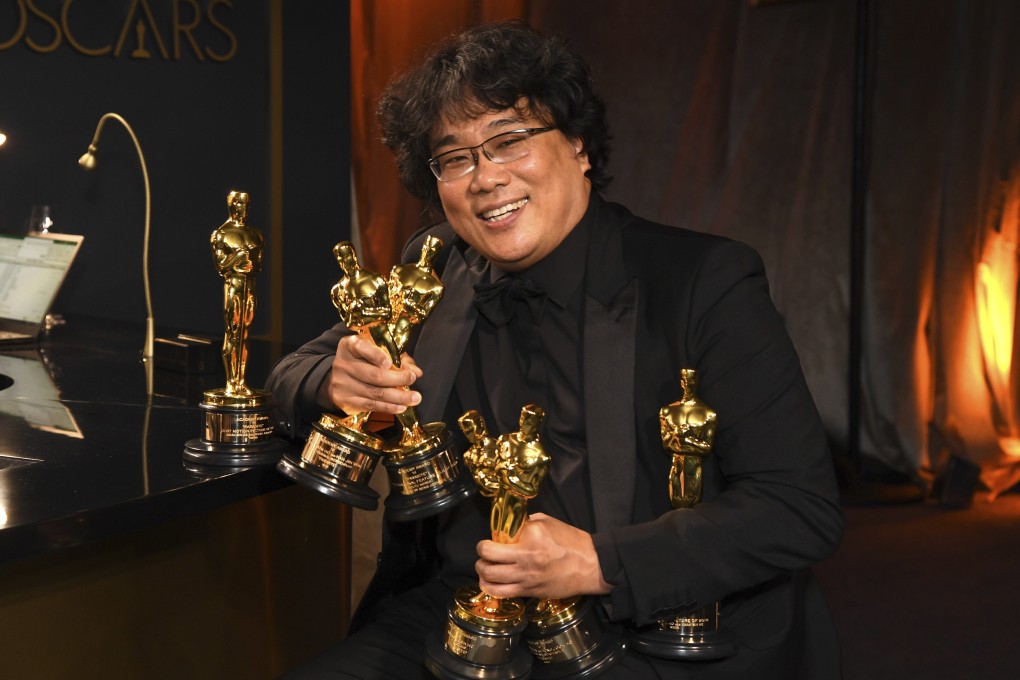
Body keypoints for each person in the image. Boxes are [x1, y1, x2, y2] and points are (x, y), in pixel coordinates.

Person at [267, 19, 844, 679]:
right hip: (464, 616)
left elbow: (799, 508)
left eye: (509, 141)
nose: (485, 178)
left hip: (651, 621)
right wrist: (333, 382)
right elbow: (293, 372)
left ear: (578, 145)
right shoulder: (432, 266)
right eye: (455, 158)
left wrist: (600, 563)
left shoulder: (703, 282)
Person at [211, 190, 262, 397]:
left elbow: (257, 266)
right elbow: (221, 266)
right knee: (233, 333)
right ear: (230, 205)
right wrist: (240, 256)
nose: (242, 207)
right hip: (233, 285)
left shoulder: (255, 234)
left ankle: (241, 381)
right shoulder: (221, 234)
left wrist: (250, 264)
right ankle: (231, 382)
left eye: (245, 203)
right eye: (238, 203)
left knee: (245, 333)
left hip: (249, 285)